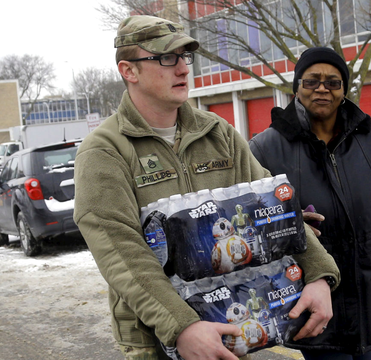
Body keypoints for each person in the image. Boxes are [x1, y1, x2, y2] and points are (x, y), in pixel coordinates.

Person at [73, 17, 340, 360]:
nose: (183, 69)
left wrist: (319, 274)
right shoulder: (105, 150)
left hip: (229, 320)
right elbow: (121, 254)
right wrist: (181, 325)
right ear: (129, 70)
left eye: (185, 57)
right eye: (166, 58)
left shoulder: (218, 133)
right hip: (158, 338)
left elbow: (271, 207)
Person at [249, 47, 371, 360]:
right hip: (311, 305)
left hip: (366, 303)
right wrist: (287, 227)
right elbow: (251, 225)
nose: (322, 88)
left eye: (333, 82)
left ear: (343, 90)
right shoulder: (265, 148)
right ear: (297, 86)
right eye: (312, 81)